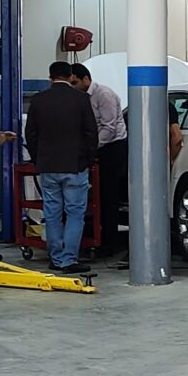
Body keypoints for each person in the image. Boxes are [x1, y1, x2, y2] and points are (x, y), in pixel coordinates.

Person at [22, 59, 98, 274]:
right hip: (75, 166)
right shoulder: (81, 99)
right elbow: (91, 133)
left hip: (48, 166)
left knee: (52, 213)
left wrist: (38, 159)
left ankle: (55, 257)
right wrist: (88, 160)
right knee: (74, 213)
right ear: (71, 76)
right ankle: (69, 259)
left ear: (50, 78)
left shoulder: (39, 100)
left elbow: (30, 134)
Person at [73, 63, 128, 258]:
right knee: (94, 196)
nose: (72, 86)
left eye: (75, 82)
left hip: (112, 148)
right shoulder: (79, 97)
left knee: (108, 196)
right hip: (95, 147)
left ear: (86, 79)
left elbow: (109, 128)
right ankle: (94, 236)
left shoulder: (103, 95)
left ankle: (109, 242)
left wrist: (91, 148)